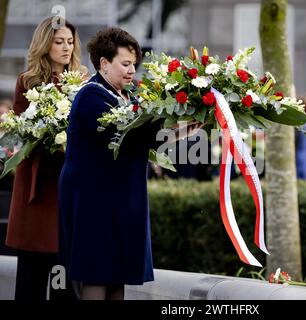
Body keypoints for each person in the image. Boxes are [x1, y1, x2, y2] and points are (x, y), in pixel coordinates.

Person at [58, 27, 201, 300]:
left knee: (118, 273)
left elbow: (145, 139)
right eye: (125, 64)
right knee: (97, 271)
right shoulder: (90, 95)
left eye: (133, 65)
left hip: (122, 194)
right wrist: (172, 127)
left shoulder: (128, 96)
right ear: (104, 63)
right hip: (93, 197)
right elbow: (127, 135)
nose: (131, 70)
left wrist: (183, 129)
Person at [5, 17, 86, 301]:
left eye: (70, 41)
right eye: (59, 41)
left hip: (68, 185)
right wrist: (49, 134)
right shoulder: (27, 81)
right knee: (31, 278)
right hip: (36, 188)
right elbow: (19, 132)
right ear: (45, 43)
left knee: (66, 280)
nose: (66, 47)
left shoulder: (82, 81)